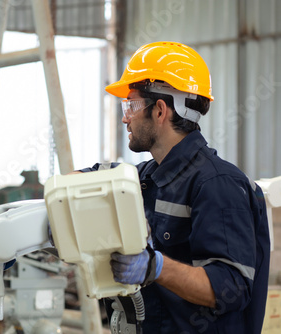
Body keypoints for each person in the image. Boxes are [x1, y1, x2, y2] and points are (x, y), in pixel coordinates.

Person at [79, 42, 270, 333]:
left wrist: (156, 268)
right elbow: (88, 178)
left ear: (159, 110)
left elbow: (232, 286)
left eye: (130, 105)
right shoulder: (144, 177)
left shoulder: (217, 184)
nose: (124, 117)